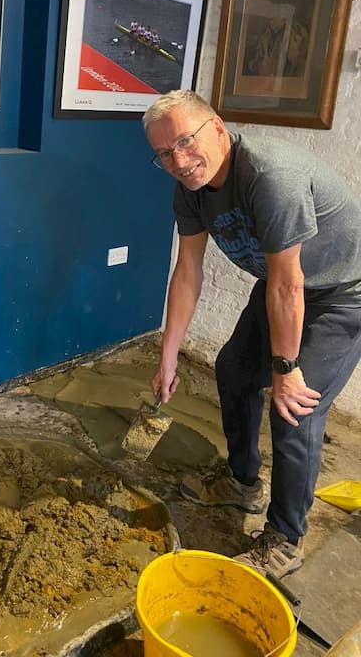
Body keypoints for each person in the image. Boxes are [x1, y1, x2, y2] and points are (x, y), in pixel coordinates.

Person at [143, 89, 361, 580]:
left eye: (185, 141)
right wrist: (169, 356)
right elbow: (188, 272)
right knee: (234, 371)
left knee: (295, 408)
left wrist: (285, 370)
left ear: (217, 128)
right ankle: (242, 482)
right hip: (282, 285)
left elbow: (290, 283)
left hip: (342, 291)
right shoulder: (190, 190)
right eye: (164, 153)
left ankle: (285, 540)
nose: (179, 160)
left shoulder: (268, 176)